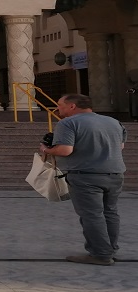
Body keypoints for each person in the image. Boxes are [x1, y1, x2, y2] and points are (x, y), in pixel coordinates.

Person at [39, 93, 127, 266]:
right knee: (110, 212)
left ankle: (100, 254)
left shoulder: (68, 123)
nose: (58, 109)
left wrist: (46, 150)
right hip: (115, 174)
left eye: (60, 105)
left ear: (72, 106)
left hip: (85, 175)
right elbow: (121, 146)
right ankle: (110, 249)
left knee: (92, 215)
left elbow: (65, 150)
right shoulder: (113, 122)